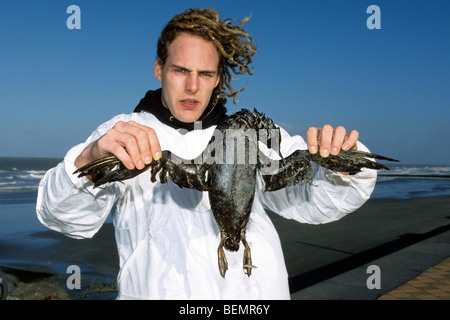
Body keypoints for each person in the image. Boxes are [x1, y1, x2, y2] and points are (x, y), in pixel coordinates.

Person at [37, 8, 377, 299]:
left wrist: (340, 165)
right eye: (180, 70)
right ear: (159, 69)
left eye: (205, 74)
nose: (192, 87)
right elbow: (64, 217)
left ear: (217, 79)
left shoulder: (251, 134)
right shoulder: (124, 132)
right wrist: (87, 162)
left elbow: (314, 201)